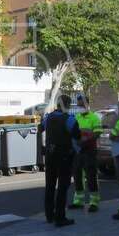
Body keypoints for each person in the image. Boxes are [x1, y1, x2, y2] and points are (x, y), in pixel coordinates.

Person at [39, 94, 80, 227]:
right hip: (64, 157)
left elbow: (40, 128)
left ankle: (49, 215)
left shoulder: (48, 117)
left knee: (50, 185)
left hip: (50, 155)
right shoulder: (69, 119)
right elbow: (77, 135)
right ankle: (60, 218)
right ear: (67, 105)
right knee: (62, 187)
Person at [68, 95, 102, 212]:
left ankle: (94, 202)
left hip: (89, 150)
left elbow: (97, 133)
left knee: (91, 176)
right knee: (77, 175)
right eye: (78, 105)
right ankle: (78, 201)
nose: (80, 107)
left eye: (82, 105)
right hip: (78, 150)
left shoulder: (94, 117)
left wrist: (85, 141)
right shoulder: (76, 117)